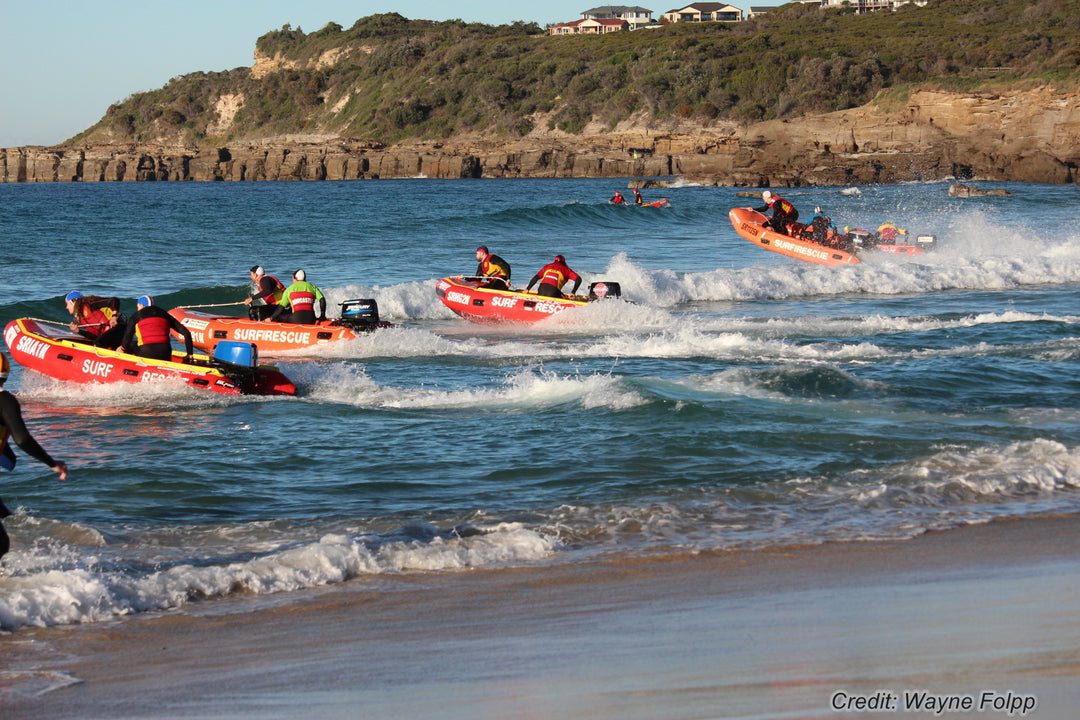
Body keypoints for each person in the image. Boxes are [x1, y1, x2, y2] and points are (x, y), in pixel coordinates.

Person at [0, 352, 69, 560]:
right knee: (2, 544)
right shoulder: (5, 400)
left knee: (5, 517)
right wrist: (51, 463)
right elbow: (22, 439)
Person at [120, 295, 194, 363]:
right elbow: (186, 333)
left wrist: (122, 348)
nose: (138, 309)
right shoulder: (164, 314)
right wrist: (189, 354)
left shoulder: (136, 316)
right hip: (165, 353)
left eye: (138, 307)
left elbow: (127, 339)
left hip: (146, 352)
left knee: (132, 344)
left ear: (141, 305)